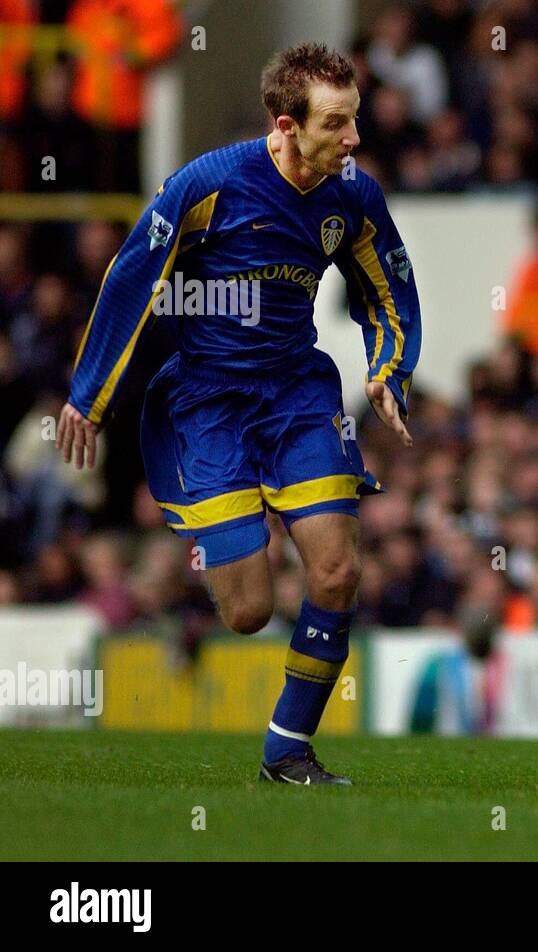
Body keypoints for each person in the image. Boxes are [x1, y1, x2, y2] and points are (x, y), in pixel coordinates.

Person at [56, 43, 421, 785]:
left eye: (354, 121)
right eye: (336, 124)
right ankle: (194, 580)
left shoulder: (353, 194)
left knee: (337, 570)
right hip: (207, 405)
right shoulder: (208, 184)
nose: (353, 140)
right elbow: (132, 279)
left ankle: (287, 751)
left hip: (297, 396)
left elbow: (387, 294)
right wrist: (90, 396)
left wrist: (388, 370)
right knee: (249, 611)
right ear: (285, 125)